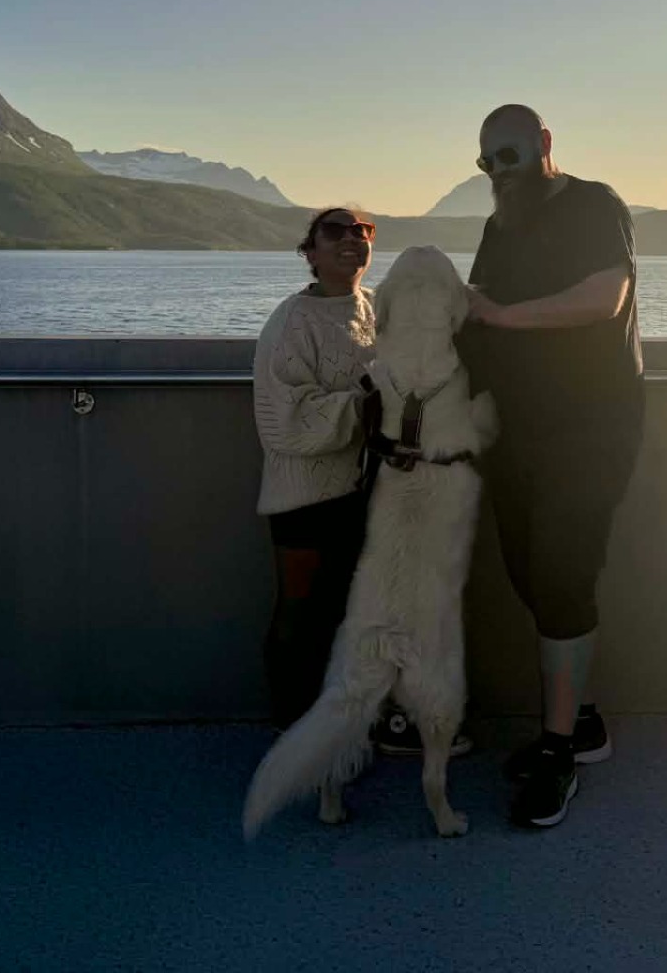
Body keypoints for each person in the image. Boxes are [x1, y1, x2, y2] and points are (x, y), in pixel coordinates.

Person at [460, 105, 645, 829]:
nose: (500, 172)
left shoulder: (596, 205)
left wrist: (503, 316)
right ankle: (583, 718)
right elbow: (474, 311)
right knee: (529, 574)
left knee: (564, 574)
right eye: (488, 162)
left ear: (543, 143)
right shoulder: (498, 226)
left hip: (589, 431)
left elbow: (605, 299)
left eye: (509, 154)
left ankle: (558, 750)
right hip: (516, 434)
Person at [252, 206, 467, 758]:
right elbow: (284, 421)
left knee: (367, 613)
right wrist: (367, 397)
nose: (352, 239)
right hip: (305, 496)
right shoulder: (291, 322)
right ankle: (293, 728)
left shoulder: (377, 309)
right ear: (310, 251)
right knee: (301, 611)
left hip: (370, 492)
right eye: (335, 231)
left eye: (362, 231)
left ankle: (369, 721)